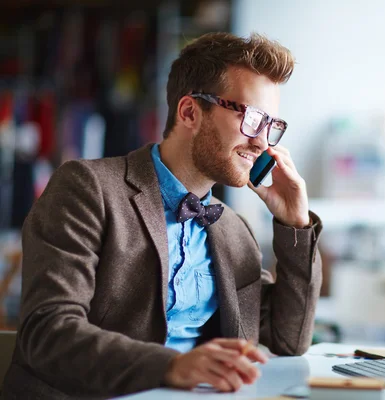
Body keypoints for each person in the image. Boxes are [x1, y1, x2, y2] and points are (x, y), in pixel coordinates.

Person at [2, 32, 323, 399]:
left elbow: (290, 339)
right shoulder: (87, 188)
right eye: (251, 118)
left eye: (271, 126)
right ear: (189, 112)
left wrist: (295, 224)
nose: (263, 143)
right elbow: (47, 331)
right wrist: (171, 366)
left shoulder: (235, 231)